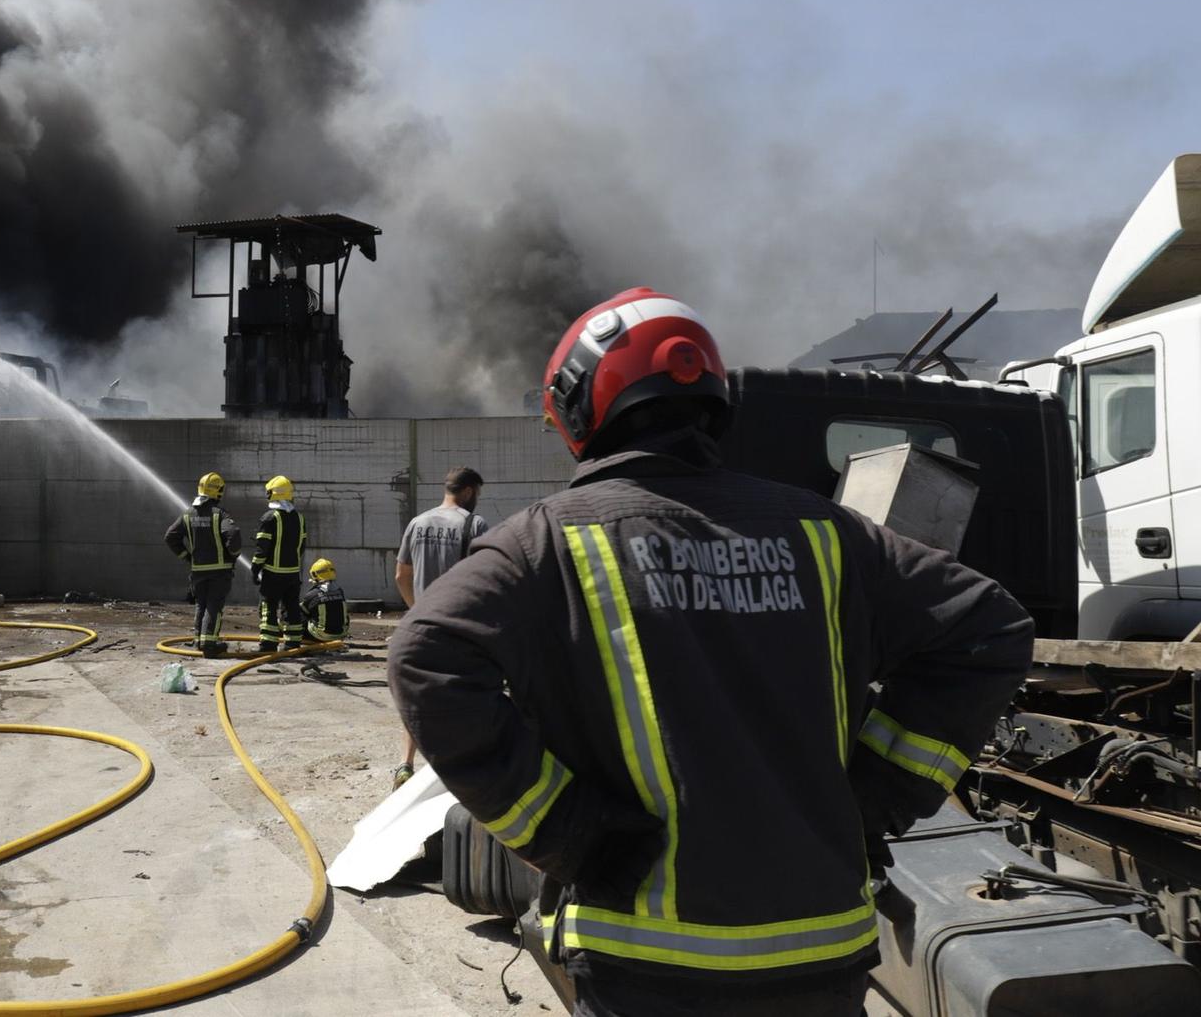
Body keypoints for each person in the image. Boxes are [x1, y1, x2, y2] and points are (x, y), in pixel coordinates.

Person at [388, 288, 1034, 1017]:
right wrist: (876, 792)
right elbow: (990, 628)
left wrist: (567, 830)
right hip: (820, 949)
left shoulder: (544, 541)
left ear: (579, 407)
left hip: (644, 960)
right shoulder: (828, 532)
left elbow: (424, 656)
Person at [392, 465, 487, 786]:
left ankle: (405, 766)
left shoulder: (417, 523)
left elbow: (401, 576)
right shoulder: (474, 524)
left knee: (417, 697)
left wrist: (417, 611)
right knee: (461, 696)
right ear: (470, 491)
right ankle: (451, 770)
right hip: (459, 626)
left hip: (421, 626)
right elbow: (483, 577)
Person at [164, 471, 241, 658]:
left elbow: (170, 537)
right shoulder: (220, 514)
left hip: (198, 571)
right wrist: (233, 556)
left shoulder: (189, 514)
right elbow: (233, 536)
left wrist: (188, 557)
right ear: (218, 491)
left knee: (201, 604)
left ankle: (199, 640)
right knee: (214, 606)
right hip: (219, 572)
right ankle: (209, 644)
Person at [251, 474, 308, 655]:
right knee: (291, 607)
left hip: (273, 574)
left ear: (272, 494)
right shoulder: (299, 518)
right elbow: (301, 546)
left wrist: (255, 569)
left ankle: (268, 644)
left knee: (268, 606)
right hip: (293, 573)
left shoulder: (269, 518)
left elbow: (262, 549)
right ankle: (293, 643)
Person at [301, 558, 351, 644]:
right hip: (341, 634)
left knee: (298, 615)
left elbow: (302, 612)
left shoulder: (312, 594)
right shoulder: (340, 591)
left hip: (320, 636)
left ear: (314, 574)